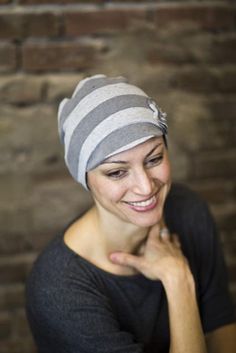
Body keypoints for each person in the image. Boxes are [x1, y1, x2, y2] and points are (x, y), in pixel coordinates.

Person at [26, 75, 236, 353]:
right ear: (85, 178)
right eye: (117, 172)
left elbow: (221, 326)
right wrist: (179, 281)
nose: (146, 186)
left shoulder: (188, 210)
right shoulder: (59, 289)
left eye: (154, 159)